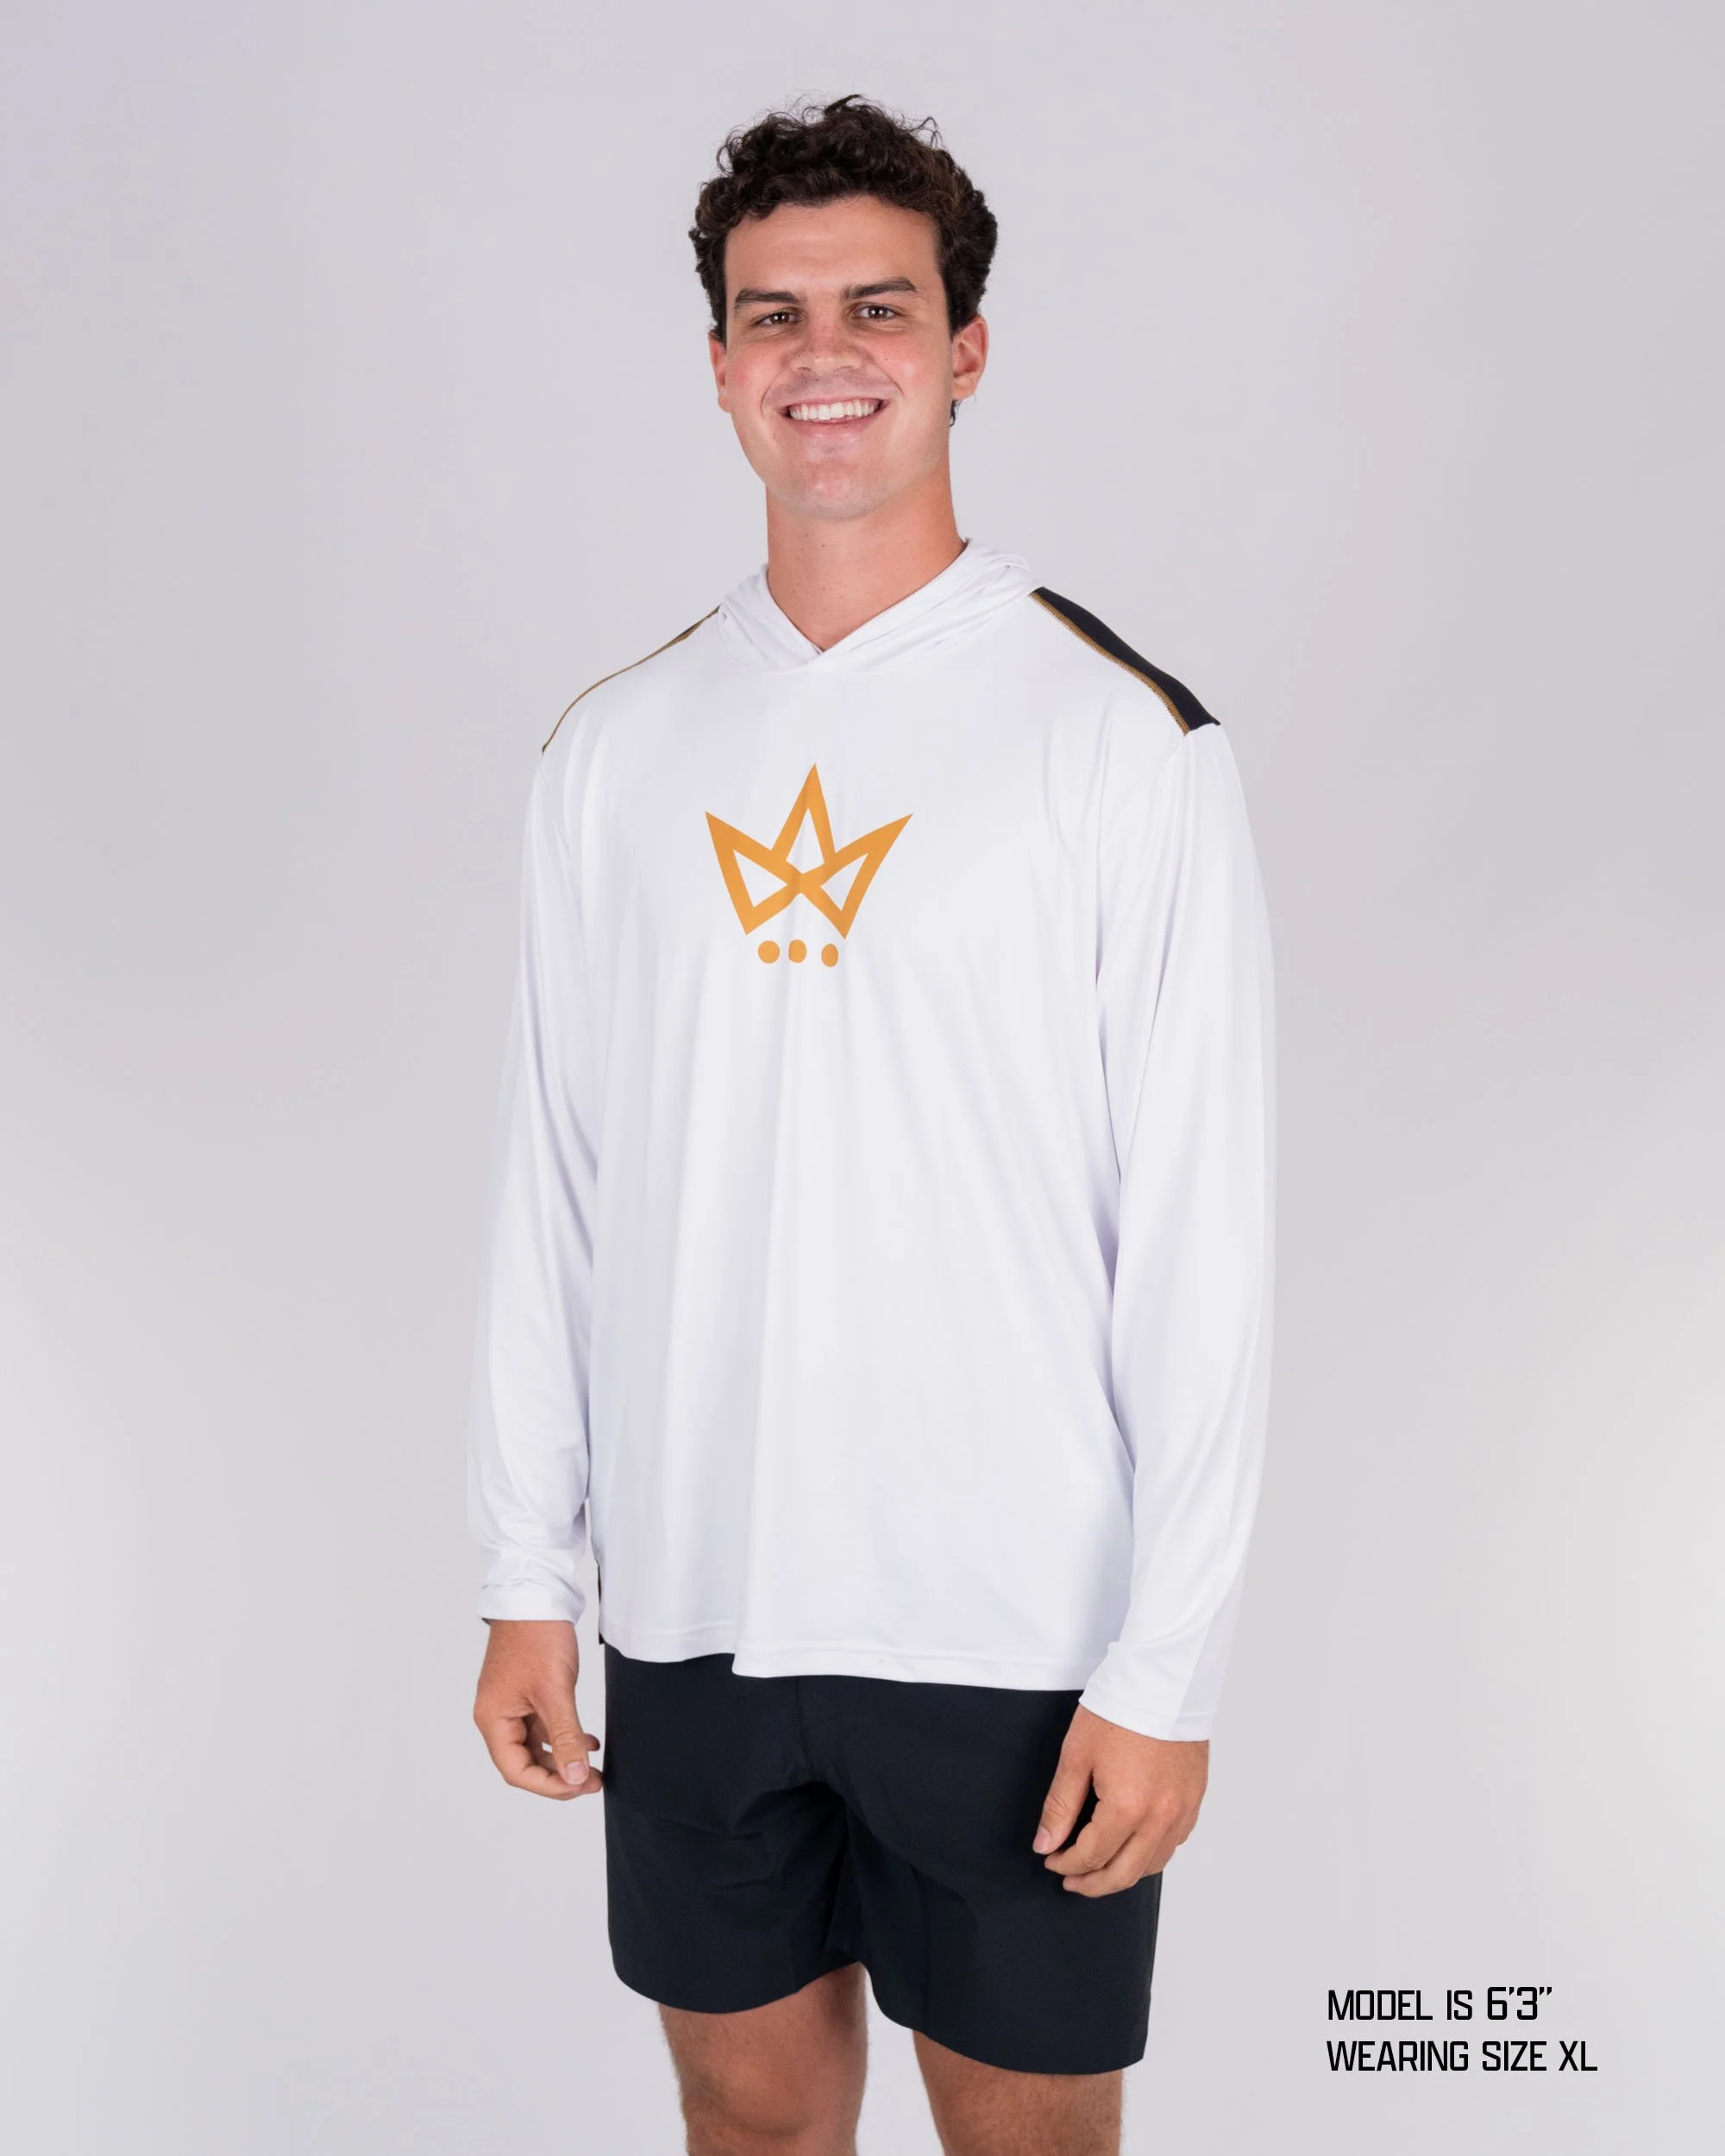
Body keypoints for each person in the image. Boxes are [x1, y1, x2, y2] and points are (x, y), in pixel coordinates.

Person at [467, 94, 1276, 2156]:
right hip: (694, 1602)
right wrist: (525, 1566)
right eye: (775, 314)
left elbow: (1199, 1234)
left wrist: (1166, 1661)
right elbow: (556, 1190)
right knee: (743, 2118)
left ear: (964, 347)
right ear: (719, 362)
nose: (822, 354)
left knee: (1026, 2137)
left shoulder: (1121, 741)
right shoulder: (612, 751)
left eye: (877, 307)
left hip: (1012, 1624)